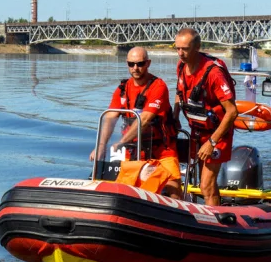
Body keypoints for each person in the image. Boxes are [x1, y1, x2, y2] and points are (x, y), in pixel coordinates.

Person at [90, 46, 181, 198]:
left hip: (161, 149)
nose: (135, 68)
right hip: (132, 150)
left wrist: (121, 142)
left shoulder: (158, 86)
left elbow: (145, 119)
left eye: (140, 64)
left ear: (148, 63)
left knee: (174, 190)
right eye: (131, 64)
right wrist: (101, 146)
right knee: (120, 190)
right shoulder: (122, 89)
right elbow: (110, 117)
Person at [173, 28, 238, 206]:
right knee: (202, 184)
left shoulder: (213, 74)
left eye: (184, 49)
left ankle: (215, 225)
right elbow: (180, 91)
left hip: (217, 133)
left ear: (197, 47)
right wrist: (175, 114)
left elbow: (232, 111)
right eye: (177, 48)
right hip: (197, 130)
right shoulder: (181, 66)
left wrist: (212, 142)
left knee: (206, 185)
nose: (180, 53)